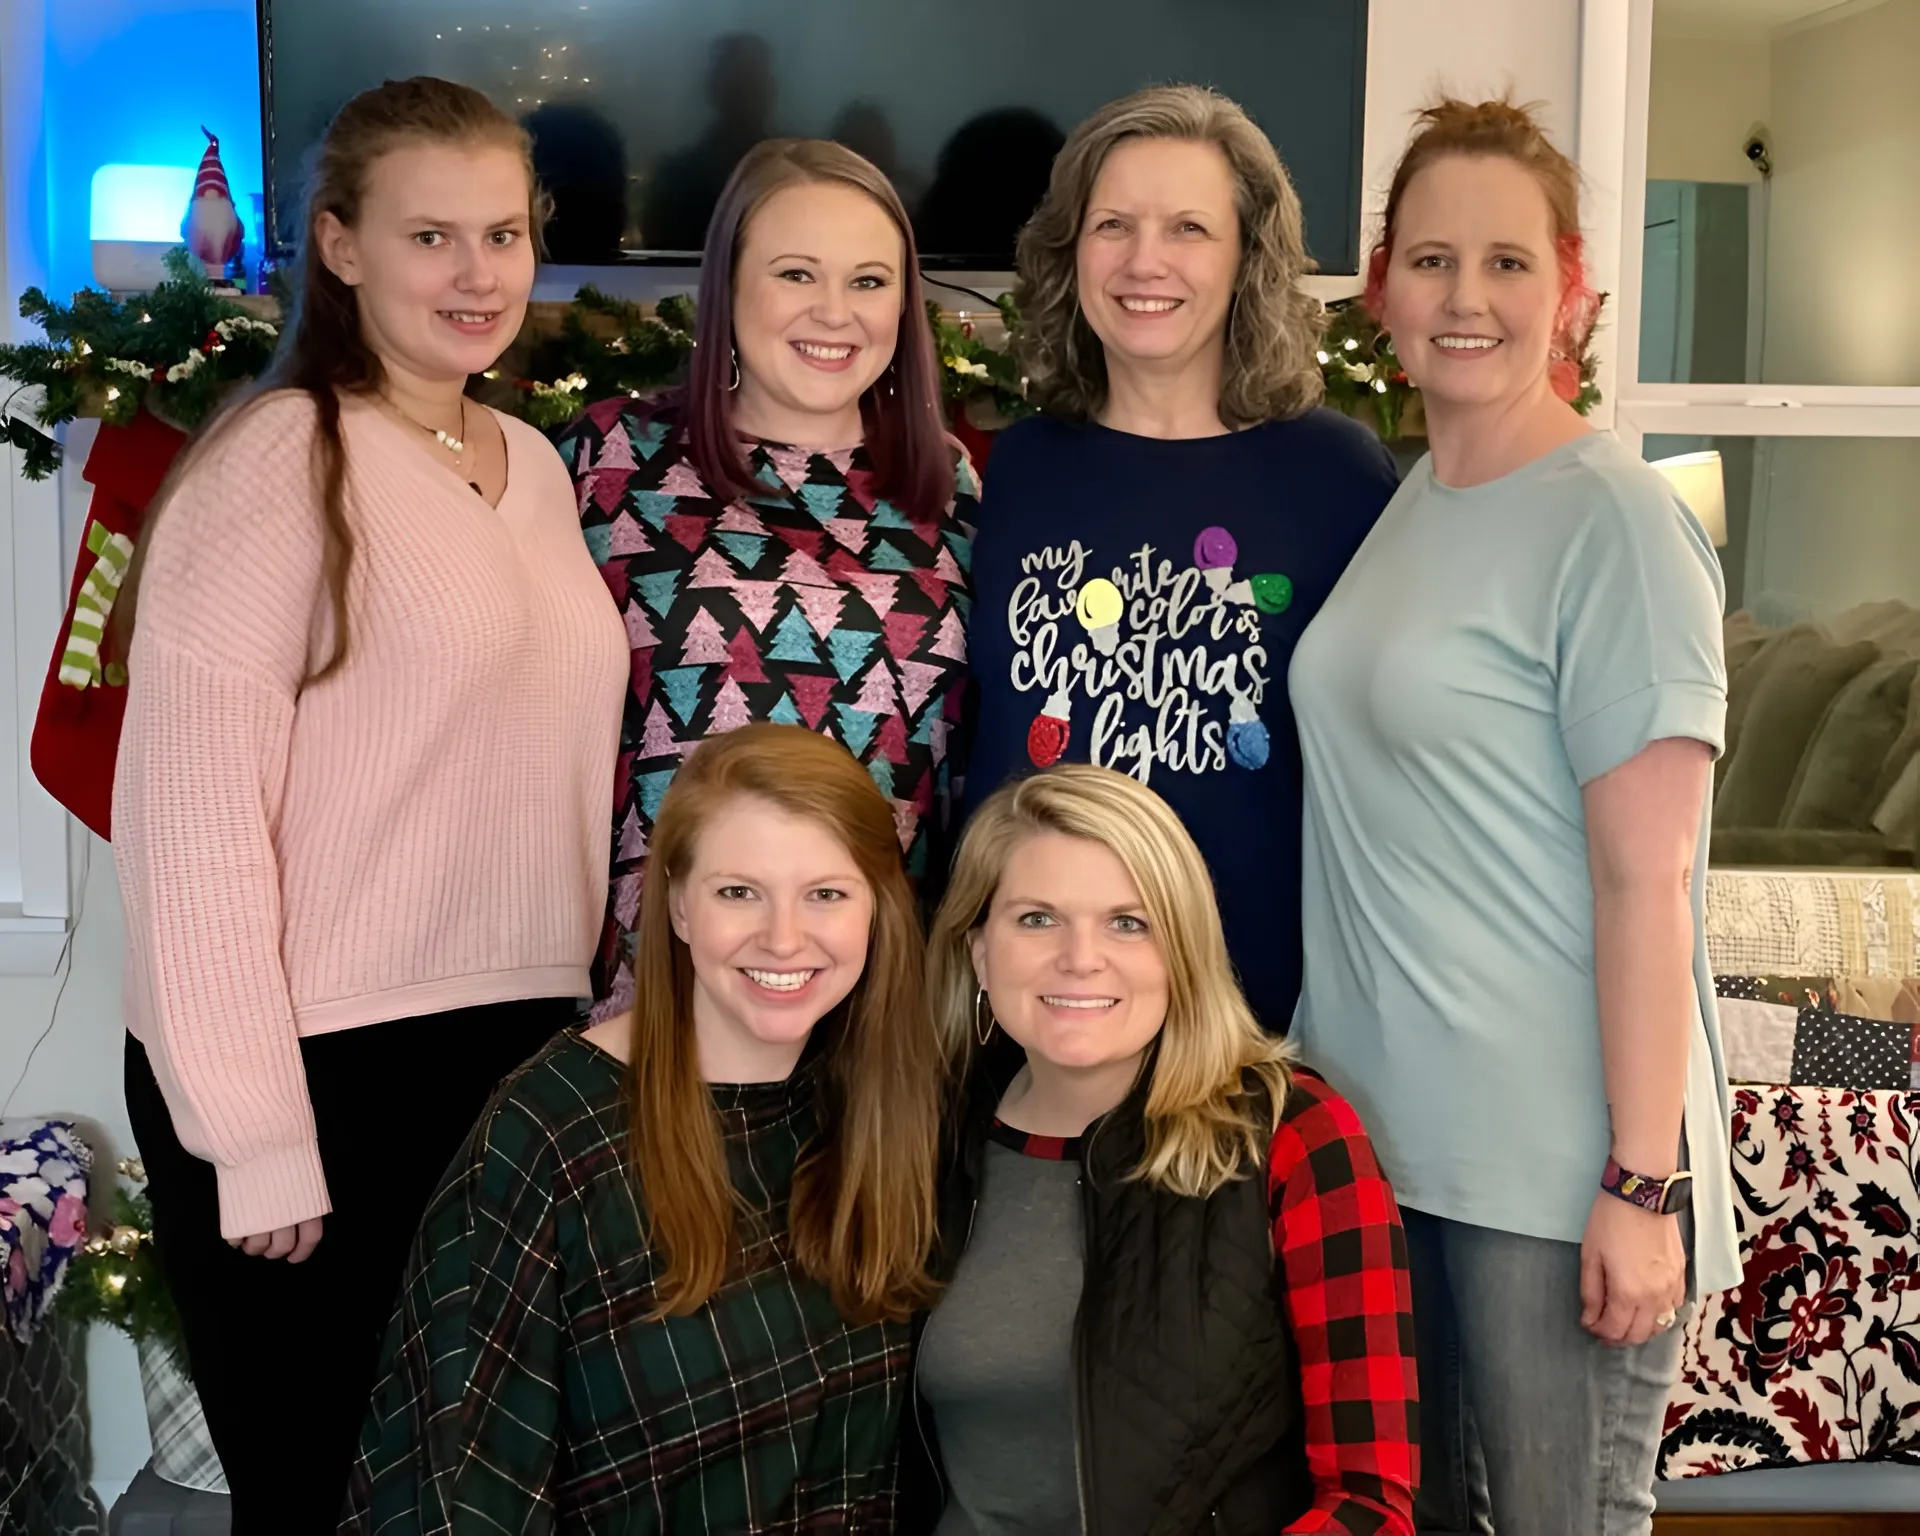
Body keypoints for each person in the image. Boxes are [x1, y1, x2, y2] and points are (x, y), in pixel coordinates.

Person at [111, 78, 626, 1531]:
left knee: (485, 1490)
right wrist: (253, 1130)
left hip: (514, 1054)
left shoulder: (529, 465)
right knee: (331, 1492)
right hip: (317, 1069)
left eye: (506, 234)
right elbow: (190, 827)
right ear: (338, 246)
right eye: (431, 237)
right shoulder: (276, 464)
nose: (479, 276)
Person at [1289, 99, 1736, 1535]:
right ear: (1381, 288)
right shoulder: (1415, 492)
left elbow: (1648, 885)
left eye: (1505, 262)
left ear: (1574, 288)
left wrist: (1640, 1179)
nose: (1464, 298)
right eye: (1430, 260)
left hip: (1555, 1174)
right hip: (1388, 1149)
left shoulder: (1613, 518)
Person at [345, 723, 944, 1530]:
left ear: (877, 908)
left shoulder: (884, 1102)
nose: (784, 937)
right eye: (739, 892)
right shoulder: (551, 1131)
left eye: (826, 894)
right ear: (679, 908)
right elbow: (454, 1493)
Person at [962, 85, 1399, 1032]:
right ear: (1070, 250)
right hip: (1029, 1011)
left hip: (1248, 1013)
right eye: (1112, 223)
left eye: (1189, 228)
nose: (1144, 260)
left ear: (1248, 258)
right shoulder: (1018, 465)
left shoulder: (1337, 475)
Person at [906, 764, 1418, 1535]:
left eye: (1128, 922)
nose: (1081, 958)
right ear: (979, 951)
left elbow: (1371, 1504)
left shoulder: (1295, 1133)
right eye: (1037, 919)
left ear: (1183, 952)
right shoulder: (927, 1135)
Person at [560, 136, 977, 1023]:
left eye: (869, 281)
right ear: (729, 287)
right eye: (796, 274)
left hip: (884, 1007)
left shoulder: (951, 485)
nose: (835, 312)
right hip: (662, 995)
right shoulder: (609, 461)